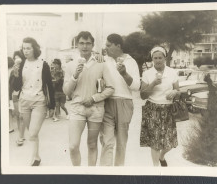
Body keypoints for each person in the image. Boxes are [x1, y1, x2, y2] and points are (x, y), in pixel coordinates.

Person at [63, 31, 114, 166]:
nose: (84, 46)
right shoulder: (70, 65)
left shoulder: (101, 63)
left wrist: (94, 98)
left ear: (92, 45)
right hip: (77, 108)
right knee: (73, 146)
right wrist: (75, 75)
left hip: (95, 109)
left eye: (88, 43)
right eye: (81, 43)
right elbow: (67, 91)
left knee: (92, 144)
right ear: (77, 45)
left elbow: (110, 87)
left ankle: (91, 174)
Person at [11, 37, 55, 166]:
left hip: (39, 102)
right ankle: (36, 157)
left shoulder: (43, 64)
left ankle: (33, 158)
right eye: (24, 48)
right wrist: (16, 74)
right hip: (24, 101)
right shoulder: (20, 64)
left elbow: (49, 86)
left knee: (32, 133)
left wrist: (52, 104)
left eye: (28, 48)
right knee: (32, 133)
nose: (25, 51)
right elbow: (16, 87)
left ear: (34, 49)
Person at [100, 33, 140, 166]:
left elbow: (136, 86)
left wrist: (124, 73)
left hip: (125, 102)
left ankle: (118, 172)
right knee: (107, 141)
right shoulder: (103, 60)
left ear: (118, 45)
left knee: (122, 142)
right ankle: (105, 174)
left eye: (108, 45)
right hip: (107, 102)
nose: (105, 48)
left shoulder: (130, 61)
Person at [140, 46, 180, 167]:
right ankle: (155, 168)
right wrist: (153, 83)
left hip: (168, 110)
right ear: (152, 59)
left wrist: (175, 92)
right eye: (155, 58)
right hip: (152, 109)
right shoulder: (147, 73)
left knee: (170, 142)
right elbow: (142, 95)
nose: (158, 60)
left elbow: (178, 90)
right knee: (155, 142)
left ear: (165, 58)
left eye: (160, 57)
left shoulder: (172, 72)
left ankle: (162, 156)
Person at [11, 50, 26, 145]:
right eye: (15, 58)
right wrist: (15, 73)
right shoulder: (13, 69)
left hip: (23, 94)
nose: (17, 59)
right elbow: (12, 84)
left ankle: (21, 135)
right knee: (17, 115)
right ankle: (20, 134)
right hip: (15, 94)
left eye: (18, 57)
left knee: (22, 116)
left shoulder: (25, 68)